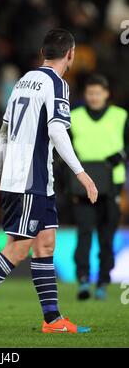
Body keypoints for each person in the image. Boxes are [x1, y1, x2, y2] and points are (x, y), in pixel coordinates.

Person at [0, 29, 98, 334]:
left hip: (31, 178)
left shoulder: (22, 81)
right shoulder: (57, 84)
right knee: (18, 248)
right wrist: (81, 172)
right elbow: (57, 131)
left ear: (43, 53)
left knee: (46, 243)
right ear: (71, 54)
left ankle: (53, 320)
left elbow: (4, 132)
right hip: (30, 178)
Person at [70, 74, 129, 300]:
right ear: (86, 94)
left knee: (107, 235)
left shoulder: (120, 116)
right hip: (83, 184)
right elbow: (64, 148)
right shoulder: (74, 117)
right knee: (84, 232)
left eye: (98, 93)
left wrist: (119, 156)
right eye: (90, 93)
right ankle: (83, 279)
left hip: (112, 184)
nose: (94, 97)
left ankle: (103, 280)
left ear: (106, 94)